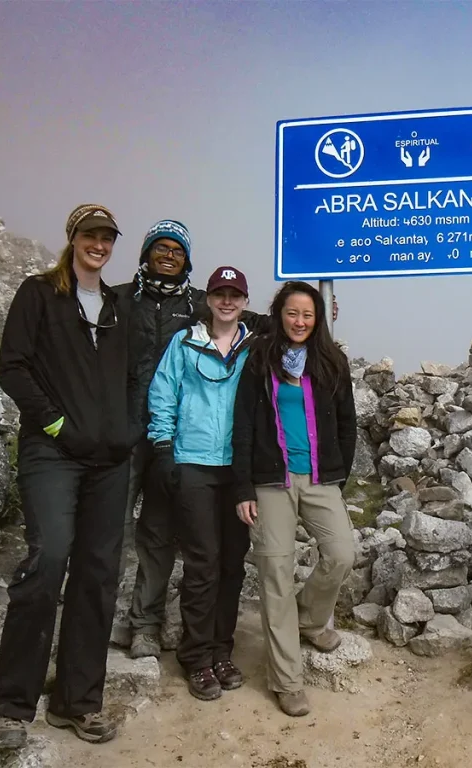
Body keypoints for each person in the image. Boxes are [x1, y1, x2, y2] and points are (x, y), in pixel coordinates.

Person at [0, 204, 132, 748]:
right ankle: (10, 706)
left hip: (110, 459)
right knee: (47, 560)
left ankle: (78, 703)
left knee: (97, 572)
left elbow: (135, 373)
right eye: (91, 235)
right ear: (72, 238)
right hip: (52, 451)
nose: (99, 244)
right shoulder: (39, 293)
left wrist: (128, 428)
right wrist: (55, 422)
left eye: (108, 237)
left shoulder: (118, 306)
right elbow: (13, 366)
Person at [115, 220, 270, 660]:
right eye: (160, 248)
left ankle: (150, 624)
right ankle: (115, 618)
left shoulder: (199, 303)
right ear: (145, 253)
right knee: (118, 530)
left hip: (182, 443)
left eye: (177, 250)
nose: (168, 255)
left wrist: (309, 313)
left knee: (164, 532)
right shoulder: (122, 299)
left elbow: (253, 320)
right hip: (130, 431)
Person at [232, 280, 357, 718]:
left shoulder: (332, 360)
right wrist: (243, 487)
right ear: (279, 314)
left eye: (308, 314)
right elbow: (243, 424)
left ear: (318, 318)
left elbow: (347, 423)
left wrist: (338, 477)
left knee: (343, 552)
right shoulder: (258, 358)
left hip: (321, 479)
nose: (300, 321)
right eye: (292, 313)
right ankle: (286, 680)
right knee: (275, 573)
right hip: (270, 482)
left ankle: (307, 620)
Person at [146, 266, 255, 701]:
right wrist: (162, 446)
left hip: (239, 471)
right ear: (207, 299)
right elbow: (163, 392)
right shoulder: (184, 343)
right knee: (202, 563)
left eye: (235, 294)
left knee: (232, 563)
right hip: (192, 464)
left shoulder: (254, 348)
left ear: (245, 301)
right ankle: (196, 657)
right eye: (219, 293)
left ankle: (222, 651)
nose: (227, 301)